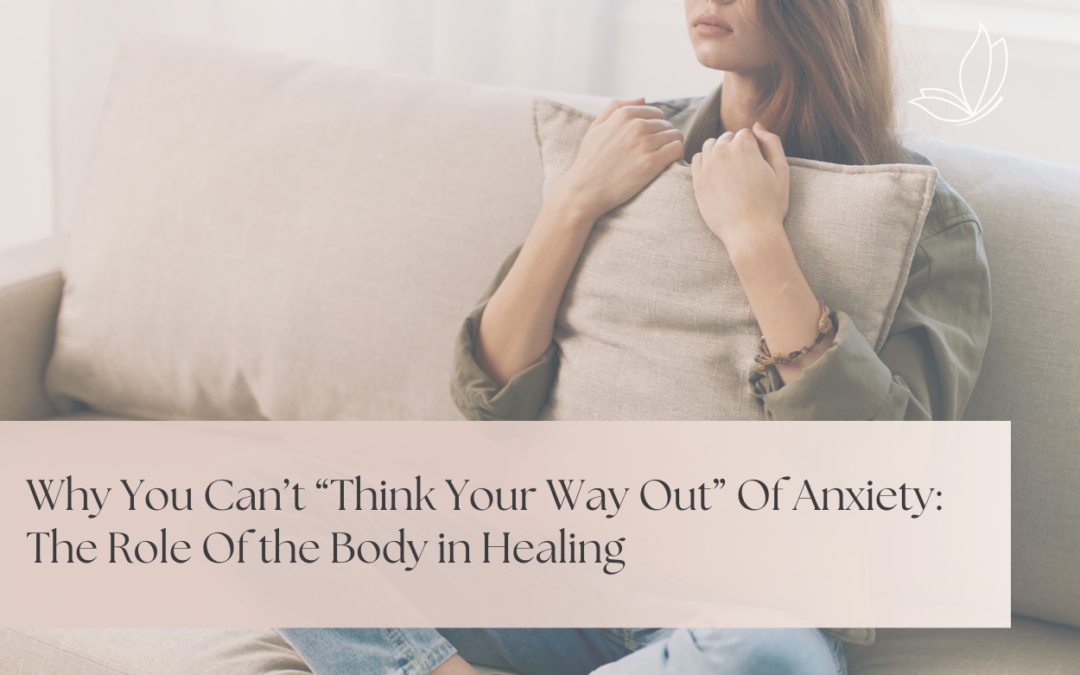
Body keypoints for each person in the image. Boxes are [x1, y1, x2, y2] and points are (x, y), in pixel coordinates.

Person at [279, 0, 990, 673]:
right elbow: (490, 396)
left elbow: (889, 482)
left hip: (732, 619)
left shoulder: (923, 218)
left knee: (768, 652)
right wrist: (574, 201)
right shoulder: (631, 147)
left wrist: (755, 237)